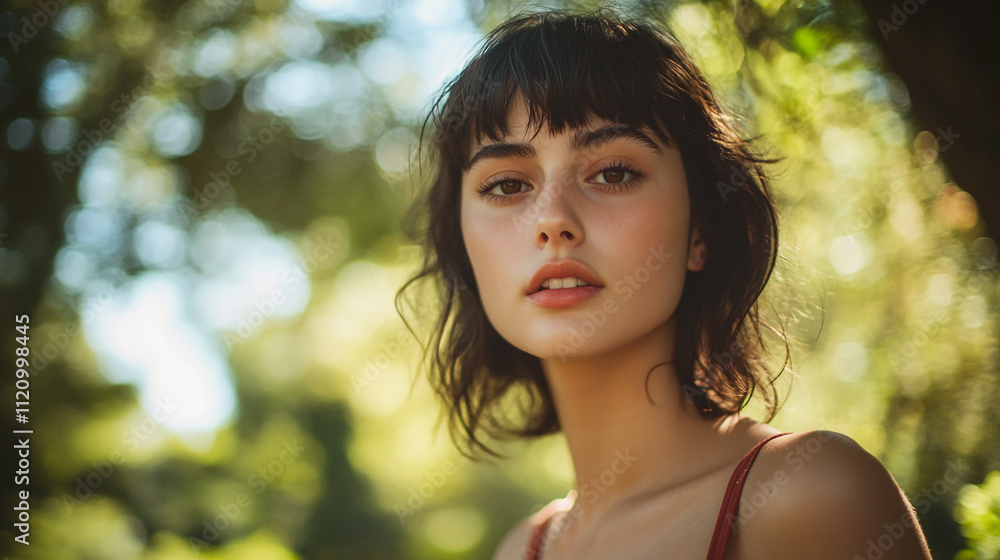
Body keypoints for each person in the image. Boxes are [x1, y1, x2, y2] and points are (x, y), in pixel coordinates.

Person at [396, 6, 934, 559]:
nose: (552, 220)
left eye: (613, 173)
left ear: (700, 228)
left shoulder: (810, 495)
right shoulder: (519, 550)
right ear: (462, 243)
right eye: (507, 184)